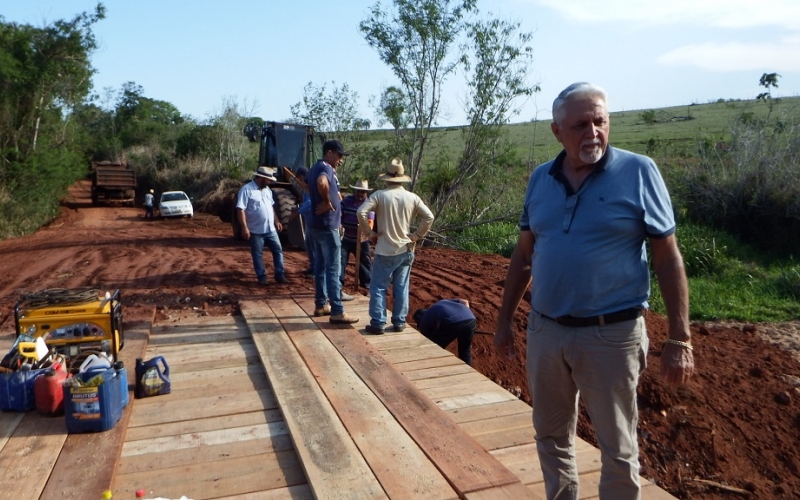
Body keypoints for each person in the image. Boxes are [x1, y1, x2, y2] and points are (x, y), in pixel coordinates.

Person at [493, 82, 695, 500]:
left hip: (611, 335)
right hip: (546, 331)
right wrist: (504, 322)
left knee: (617, 448)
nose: (593, 132)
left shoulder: (639, 172)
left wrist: (680, 337)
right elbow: (524, 255)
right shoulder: (540, 179)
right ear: (557, 131)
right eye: (580, 124)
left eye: (600, 121)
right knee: (550, 436)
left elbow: (667, 257)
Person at [357, 158, 434, 334]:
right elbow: (429, 217)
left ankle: (378, 322)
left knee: (378, 287)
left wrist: (370, 234)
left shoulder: (379, 195)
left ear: (388, 178)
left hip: (385, 248)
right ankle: (399, 322)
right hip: (406, 248)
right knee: (401, 286)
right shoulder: (412, 197)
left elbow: (360, 212)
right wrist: (416, 236)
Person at [307, 140, 359, 324]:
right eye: (339, 155)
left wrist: (330, 196)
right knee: (333, 269)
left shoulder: (315, 167)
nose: (341, 160)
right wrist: (327, 201)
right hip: (328, 227)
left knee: (320, 266)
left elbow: (311, 185)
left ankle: (321, 304)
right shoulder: (326, 168)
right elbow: (322, 182)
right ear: (329, 153)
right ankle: (337, 310)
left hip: (317, 225)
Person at [235, 166, 288, 286]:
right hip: (256, 230)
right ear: (261, 178)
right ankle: (261, 276)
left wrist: (277, 221)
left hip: (271, 229)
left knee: (278, 251)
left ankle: (280, 275)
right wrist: (244, 227)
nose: (270, 182)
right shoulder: (246, 190)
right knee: (257, 254)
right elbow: (240, 209)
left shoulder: (267, 190)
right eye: (268, 179)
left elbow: (271, 207)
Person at [413, 299, 476, 365]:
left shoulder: (424, 321)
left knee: (434, 349)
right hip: (471, 319)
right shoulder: (441, 302)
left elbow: (429, 340)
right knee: (465, 351)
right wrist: (466, 322)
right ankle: (467, 372)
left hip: (451, 322)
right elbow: (465, 302)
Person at [340, 179, 374, 293]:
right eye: (358, 191)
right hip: (346, 238)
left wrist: (367, 230)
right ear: (355, 191)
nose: (360, 194)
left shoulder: (369, 203)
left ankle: (367, 283)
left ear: (366, 193)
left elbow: (370, 220)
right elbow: (339, 213)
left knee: (365, 261)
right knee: (341, 260)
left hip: (362, 239)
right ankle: (339, 284)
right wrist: (339, 224)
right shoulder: (346, 201)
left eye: (363, 192)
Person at [292, 166, 315, 277]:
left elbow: (310, 203)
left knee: (313, 245)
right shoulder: (306, 189)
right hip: (309, 220)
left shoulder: (310, 187)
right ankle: (312, 267)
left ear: (301, 177)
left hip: (314, 221)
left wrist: (297, 212)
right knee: (308, 244)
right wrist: (299, 207)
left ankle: (316, 270)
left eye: (298, 179)